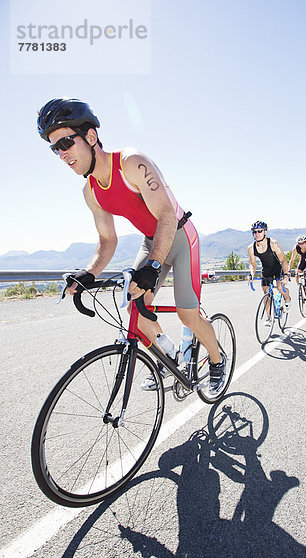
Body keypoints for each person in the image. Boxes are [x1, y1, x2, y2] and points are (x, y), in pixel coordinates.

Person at [37, 97, 226, 396]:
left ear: (91, 136)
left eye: (65, 143)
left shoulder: (131, 162)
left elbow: (165, 215)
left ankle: (217, 360)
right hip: (153, 242)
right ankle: (171, 357)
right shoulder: (91, 192)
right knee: (134, 310)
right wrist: (88, 273)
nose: (61, 154)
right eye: (54, 148)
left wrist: (152, 266)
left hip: (179, 235)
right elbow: (108, 241)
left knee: (187, 314)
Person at [248, 220, 291, 323]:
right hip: (266, 271)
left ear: (265, 232)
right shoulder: (251, 248)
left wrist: (285, 275)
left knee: (281, 288)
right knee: (266, 293)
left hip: (278, 269)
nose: (257, 234)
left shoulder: (273, 243)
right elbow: (252, 264)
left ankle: (287, 300)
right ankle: (268, 316)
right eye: (254, 232)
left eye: (259, 231)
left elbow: (283, 261)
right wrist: (251, 274)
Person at [288, 235, 306, 305]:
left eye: (303, 243)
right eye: (299, 243)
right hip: (303, 259)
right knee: (297, 272)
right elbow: (292, 260)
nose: (301, 245)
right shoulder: (296, 248)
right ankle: (302, 287)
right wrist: (289, 270)